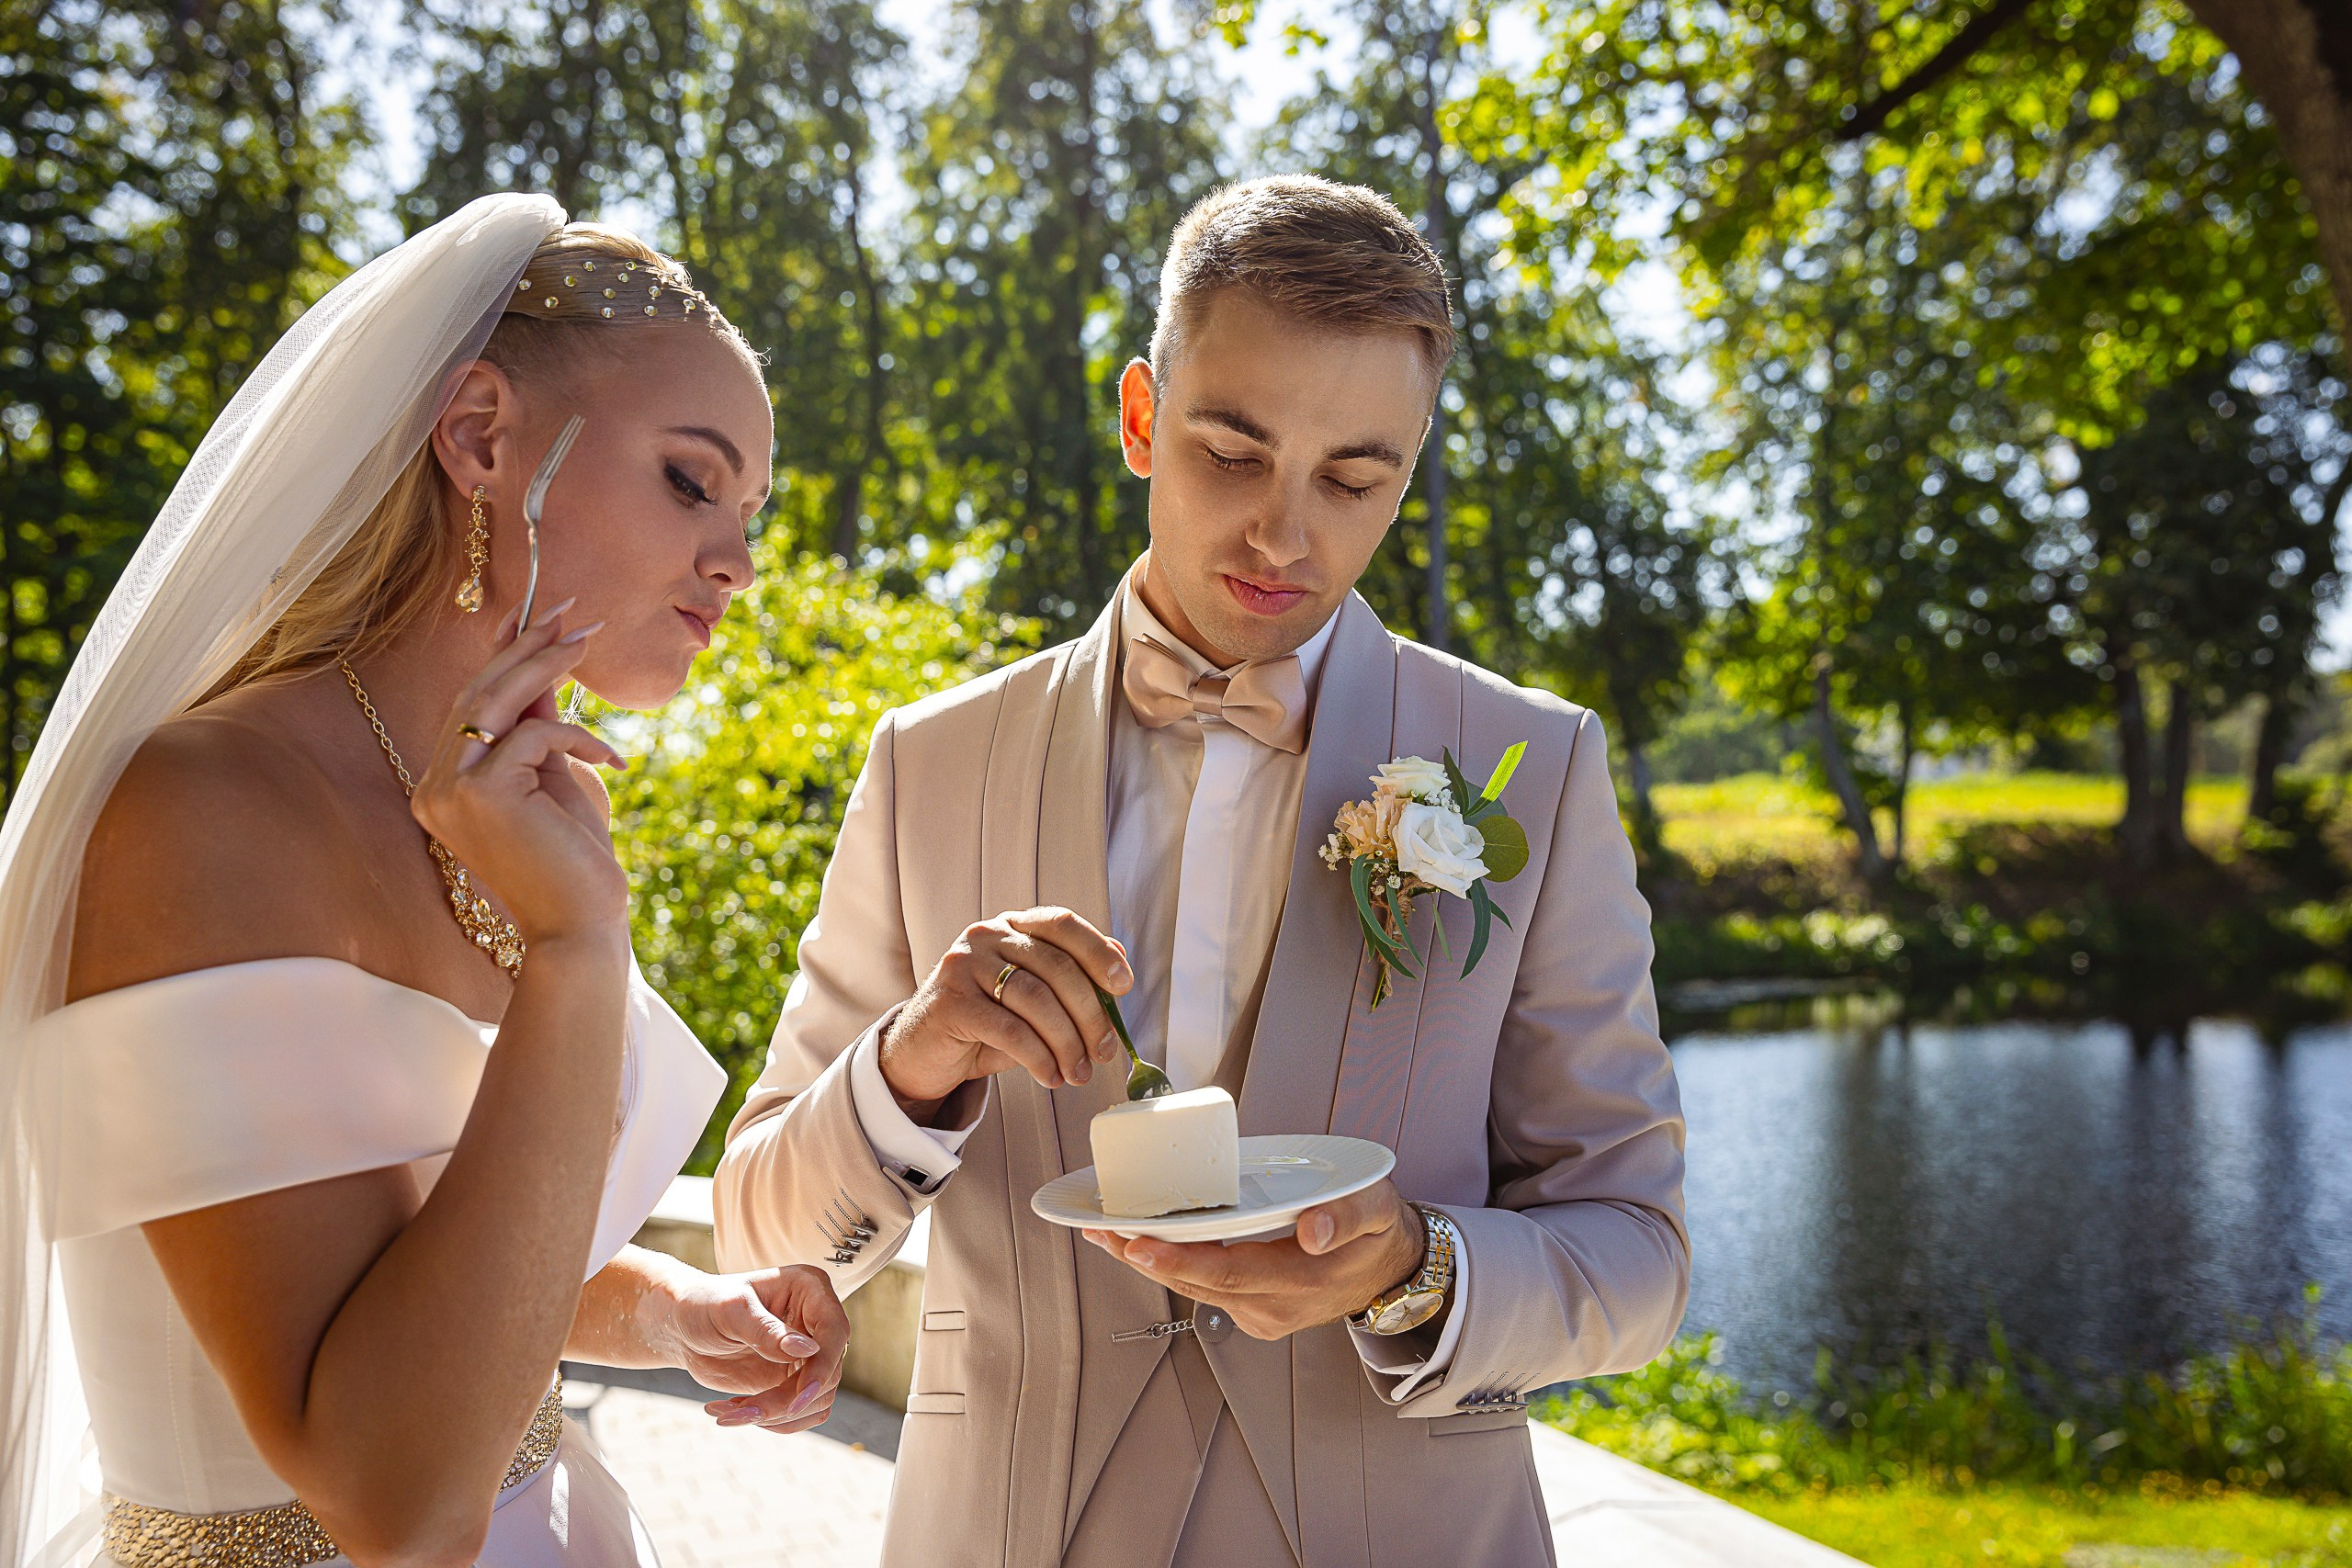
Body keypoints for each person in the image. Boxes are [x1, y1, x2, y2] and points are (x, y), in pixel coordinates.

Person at [713, 175, 1690, 1567]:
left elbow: (1639, 1252)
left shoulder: (1534, 763)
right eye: (1233, 454)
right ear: (1138, 419)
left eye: (1355, 479)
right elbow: (763, 1224)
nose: (1286, 537)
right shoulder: (928, 763)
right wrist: (913, 1060)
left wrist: (1419, 1270)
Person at [0, 196, 848, 1568]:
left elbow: (423, 1248)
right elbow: (394, 1505)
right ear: (480, 435)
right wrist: (576, 950)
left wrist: (671, 1311)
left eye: (750, 513)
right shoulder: (199, 814)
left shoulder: (508, 804)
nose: (738, 566)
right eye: (693, 482)